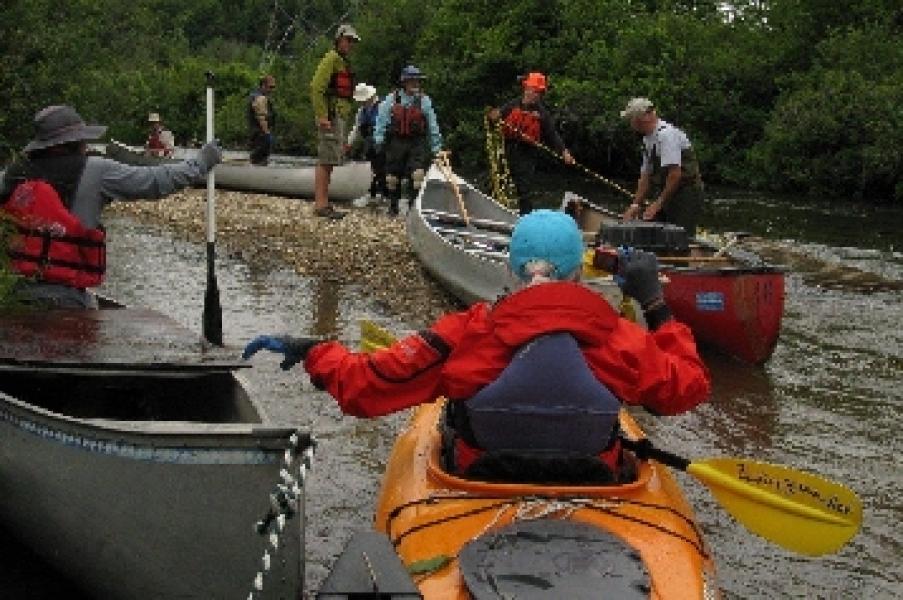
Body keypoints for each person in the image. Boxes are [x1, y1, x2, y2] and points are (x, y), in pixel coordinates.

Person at [243, 210, 710, 482]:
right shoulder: (620, 341)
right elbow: (686, 389)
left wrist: (313, 351)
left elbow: (363, 387)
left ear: (511, 268)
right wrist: (655, 304)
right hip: (596, 484)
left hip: (478, 481)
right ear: (579, 274)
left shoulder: (465, 336)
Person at [0, 104, 222, 308]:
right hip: (67, 296)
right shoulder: (95, 170)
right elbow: (156, 181)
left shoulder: (13, 174)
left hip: (11, 291)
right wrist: (201, 162)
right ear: (77, 141)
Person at [488, 72, 575, 215]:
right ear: (525, 89)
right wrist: (493, 116)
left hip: (526, 154)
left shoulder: (542, 113)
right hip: (506, 150)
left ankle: (525, 218)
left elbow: (552, 135)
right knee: (496, 182)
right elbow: (496, 118)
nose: (533, 94)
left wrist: (564, 152)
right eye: (532, 90)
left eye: (538, 92)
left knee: (524, 189)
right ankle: (491, 209)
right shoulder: (512, 105)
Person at [620, 97, 704, 237]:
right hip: (667, 191)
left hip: (685, 193)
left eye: (632, 119)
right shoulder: (648, 139)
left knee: (679, 237)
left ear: (643, 118)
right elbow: (645, 176)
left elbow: (675, 175)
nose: (631, 123)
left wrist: (658, 204)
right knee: (652, 229)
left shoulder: (667, 135)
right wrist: (635, 205)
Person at [373, 65, 443, 216]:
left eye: (417, 81)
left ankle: (413, 207)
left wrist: (436, 148)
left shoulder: (424, 101)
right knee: (392, 177)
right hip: (396, 141)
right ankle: (393, 206)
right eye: (412, 81)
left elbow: (432, 125)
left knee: (417, 174)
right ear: (404, 82)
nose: (415, 84)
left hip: (416, 142)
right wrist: (378, 140)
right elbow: (381, 120)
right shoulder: (392, 99)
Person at [310, 23, 361, 220]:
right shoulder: (331, 59)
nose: (350, 44)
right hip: (330, 116)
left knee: (331, 160)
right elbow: (316, 87)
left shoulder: (342, 61)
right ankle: (320, 204)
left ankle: (323, 202)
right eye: (348, 40)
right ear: (338, 39)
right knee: (326, 160)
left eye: (352, 41)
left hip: (338, 115)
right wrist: (322, 116)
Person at [347, 83, 387, 208]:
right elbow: (356, 129)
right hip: (369, 143)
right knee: (371, 169)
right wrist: (348, 144)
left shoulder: (383, 107)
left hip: (383, 143)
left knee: (381, 169)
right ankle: (372, 195)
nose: (362, 102)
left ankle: (382, 196)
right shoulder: (361, 111)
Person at [248, 75, 277, 166]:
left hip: (256, 135)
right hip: (261, 136)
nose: (272, 89)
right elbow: (261, 118)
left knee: (258, 158)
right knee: (259, 159)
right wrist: (267, 133)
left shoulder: (256, 96)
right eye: (270, 87)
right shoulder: (260, 98)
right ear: (263, 85)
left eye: (274, 87)